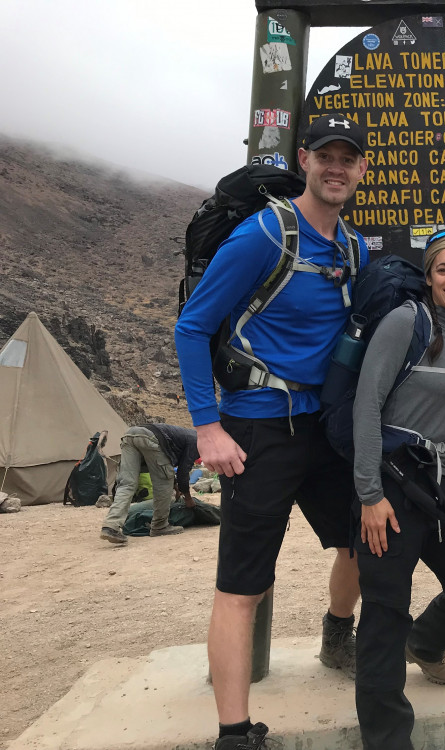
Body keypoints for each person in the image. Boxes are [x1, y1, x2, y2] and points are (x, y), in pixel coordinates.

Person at [175, 113, 370, 750]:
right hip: (256, 430)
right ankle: (235, 732)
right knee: (243, 585)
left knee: (364, 541)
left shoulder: (353, 247)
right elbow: (192, 326)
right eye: (325, 156)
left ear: (362, 169)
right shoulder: (264, 235)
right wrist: (207, 427)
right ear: (304, 160)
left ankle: (337, 634)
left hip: (323, 428)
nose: (336, 167)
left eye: (349, 158)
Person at [352, 230, 445, 750]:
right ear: (429, 276)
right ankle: (388, 740)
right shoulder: (405, 321)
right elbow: (365, 406)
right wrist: (369, 494)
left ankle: (426, 643)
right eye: (444, 270)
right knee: (385, 610)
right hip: (391, 478)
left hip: (440, 479)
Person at [99, 423, 199, 544]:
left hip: (131, 434)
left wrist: (176, 487)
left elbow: (167, 464)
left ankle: (111, 526)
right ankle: (160, 525)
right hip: (150, 438)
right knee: (162, 483)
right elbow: (183, 472)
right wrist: (188, 499)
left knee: (127, 484)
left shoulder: (187, 436)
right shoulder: (197, 441)